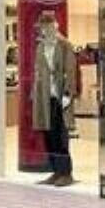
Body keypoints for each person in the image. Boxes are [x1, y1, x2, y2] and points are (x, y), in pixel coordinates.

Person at [33, 10, 78, 187]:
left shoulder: (65, 45)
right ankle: (55, 170)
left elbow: (71, 71)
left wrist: (68, 93)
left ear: (55, 26)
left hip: (60, 96)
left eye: (48, 26)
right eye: (42, 27)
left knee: (61, 135)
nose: (45, 30)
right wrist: (35, 93)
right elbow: (38, 71)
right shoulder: (41, 47)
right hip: (45, 96)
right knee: (48, 134)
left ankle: (66, 172)